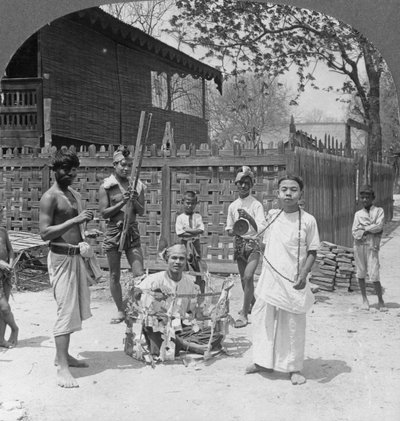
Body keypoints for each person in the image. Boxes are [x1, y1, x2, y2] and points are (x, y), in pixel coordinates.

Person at [246, 175, 320, 385]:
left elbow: (313, 250)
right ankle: (261, 361)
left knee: (293, 322)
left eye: (293, 189)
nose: (288, 193)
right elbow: (258, 236)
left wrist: (304, 274)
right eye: (284, 189)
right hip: (270, 278)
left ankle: (293, 367)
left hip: (293, 279)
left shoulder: (307, 220)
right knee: (262, 318)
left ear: (301, 194)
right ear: (278, 193)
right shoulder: (272, 216)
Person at [39, 149, 99, 388]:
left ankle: (62, 355)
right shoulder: (50, 197)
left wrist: (86, 232)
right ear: (55, 170)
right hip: (61, 259)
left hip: (76, 257)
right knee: (65, 310)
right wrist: (75, 221)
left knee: (73, 309)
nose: (70, 174)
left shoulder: (72, 194)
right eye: (65, 170)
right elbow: (45, 233)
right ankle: (62, 368)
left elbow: (73, 229)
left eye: (74, 170)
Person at [130, 244, 224, 360]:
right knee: (157, 330)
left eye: (181, 258)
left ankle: (180, 344)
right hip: (158, 326)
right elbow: (134, 293)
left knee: (216, 335)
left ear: (185, 262)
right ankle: (190, 347)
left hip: (180, 327)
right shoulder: (154, 280)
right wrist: (152, 293)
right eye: (174, 258)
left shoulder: (189, 283)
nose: (177, 262)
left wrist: (203, 309)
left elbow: (192, 311)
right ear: (167, 260)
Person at [99, 146, 146, 324]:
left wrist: (133, 200)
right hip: (113, 232)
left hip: (132, 231)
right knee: (114, 274)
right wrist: (122, 202)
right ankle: (120, 310)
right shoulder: (106, 186)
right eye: (122, 165)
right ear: (114, 165)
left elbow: (141, 211)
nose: (126, 169)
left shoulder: (138, 185)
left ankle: (137, 306)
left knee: (139, 274)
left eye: (129, 165)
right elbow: (104, 213)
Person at [225, 166, 267, 328]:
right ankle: (254, 304)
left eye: (247, 183)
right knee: (244, 280)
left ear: (251, 185)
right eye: (240, 183)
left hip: (253, 244)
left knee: (249, 277)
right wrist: (233, 230)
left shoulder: (256, 205)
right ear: (236, 184)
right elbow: (229, 228)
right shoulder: (232, 206)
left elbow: (262, 228)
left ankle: (243, 313)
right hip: (239, 244)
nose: (243, 186)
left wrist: (248, 217)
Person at [352, 184, 385, 311]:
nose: (365, 200)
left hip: (372, 246)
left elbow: (379, 226)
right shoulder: (358, 214)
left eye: (367, 197)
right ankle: (364, 300)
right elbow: (355, 232)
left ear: (373, 198)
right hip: (359, 245)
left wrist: (364, 228)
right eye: (363, 197)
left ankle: (380, 301)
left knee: (374, 273)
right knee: (360, 272)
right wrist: (369, 229)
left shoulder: (379, 211)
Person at [175, 191, 205, 293]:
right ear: (182, 202)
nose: (190, 205)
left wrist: (188, 230)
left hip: (195, 245)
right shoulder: (180, 218)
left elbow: (201, 230)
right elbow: (180, 234)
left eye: (192, 203)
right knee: (184, 267)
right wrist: (194, 232)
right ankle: (184, 292)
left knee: (198, 267)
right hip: (184, 244)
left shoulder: (198, 217)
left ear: (196, 204)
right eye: (187, 203)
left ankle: (201, 293)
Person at [0, 206, 18, 348]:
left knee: (2, 310)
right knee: (4, 307)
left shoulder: (3, 232)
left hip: (5, 274)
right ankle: (15, 328)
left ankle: (1, 339)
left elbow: (11, 250)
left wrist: (10, 263)